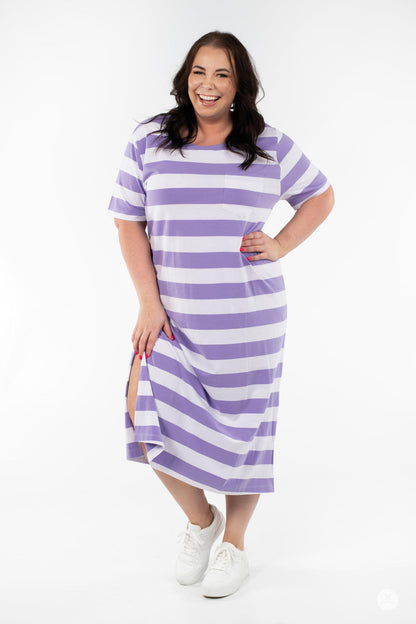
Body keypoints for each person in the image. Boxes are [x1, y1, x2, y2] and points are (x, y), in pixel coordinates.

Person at [107, 30, 335, 598]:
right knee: (140, 406)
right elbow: (128, 222)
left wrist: (280, 244)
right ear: (185, 77)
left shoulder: (268, 145)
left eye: (222, 74)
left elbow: (321, 196)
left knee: (245, 433)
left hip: (248, 319)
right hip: (171, 318)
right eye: (199, 72)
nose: (208, 85)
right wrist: (148, 303)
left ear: (239, 87)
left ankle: (234, 543)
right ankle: (201, 521)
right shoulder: (149, 141)